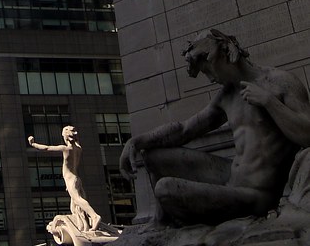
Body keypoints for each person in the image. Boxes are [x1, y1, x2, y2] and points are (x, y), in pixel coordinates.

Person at [120, 29, 310, 227]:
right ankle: (160, 223)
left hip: (256, 195)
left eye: (209, 69)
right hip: (230, 178)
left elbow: (307, 135)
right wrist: (136, 142)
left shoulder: (280, 82)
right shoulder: (227, 95)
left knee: (165, 189)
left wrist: (269, 102)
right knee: (154, 156)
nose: (210, 78)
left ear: (226, 53)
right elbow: (185, 130)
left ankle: (180, 226)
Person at [28, 125, 101, 231]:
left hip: (71, 179)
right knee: (75, 208)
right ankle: (84, 226)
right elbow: (77, 140)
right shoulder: (78, 148)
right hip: (76, 179)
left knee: (78, 200)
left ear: (65, 137)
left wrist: (33, 144)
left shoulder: (66, 149)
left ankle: (94, 216)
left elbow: (47, 148)